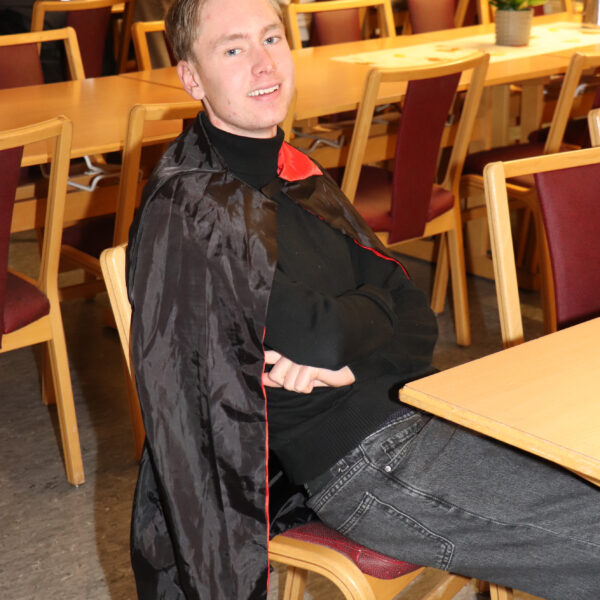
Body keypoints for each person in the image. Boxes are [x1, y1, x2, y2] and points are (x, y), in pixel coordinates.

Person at [126, 0, 600, 598]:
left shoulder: (294, 171)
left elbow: (417, 314)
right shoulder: (194, 210)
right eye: (233, 48)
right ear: (191, 77)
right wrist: (368, 319)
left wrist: (352, 350)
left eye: (271, 38)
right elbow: (326, 334)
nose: (263, 63)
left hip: (422, 406)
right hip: (361, 462)